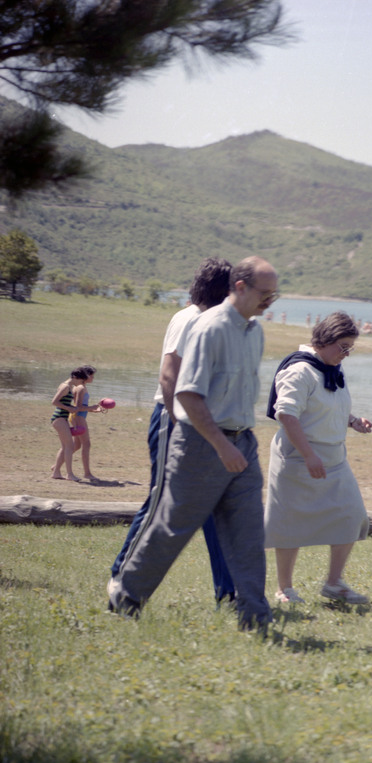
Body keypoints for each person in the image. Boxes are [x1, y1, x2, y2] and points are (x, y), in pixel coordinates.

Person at [108, 256, 279, 630]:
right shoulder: (209, 327)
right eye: (265, 293)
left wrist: (238, 444)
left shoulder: (255, 332)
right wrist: (221, 445)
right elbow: (187, 393)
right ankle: (125, 597)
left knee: (249, 534)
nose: (270, 300)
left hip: (243, 443)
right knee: (172, 528)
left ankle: (255, 617)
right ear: (240, 287)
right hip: (201, 444)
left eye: (274, 294)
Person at [109, 258, 235, 603]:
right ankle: (121, 577)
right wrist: (183, 427)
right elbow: (169, 377)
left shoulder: (210, 321)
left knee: (215, 505)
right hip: (175, 420)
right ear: (223, 290)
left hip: (203, 423)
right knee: (162, 500)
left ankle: (228, 592)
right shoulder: (189, 318)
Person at [265, 312, 371, 605]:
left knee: (352, 515)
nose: (346, 354)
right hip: (298, 457)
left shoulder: (332, 368)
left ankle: (334, 584)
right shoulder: (300, 370)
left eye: (350, 348)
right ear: (324, 340)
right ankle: (284, 589)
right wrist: (309, 455)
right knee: (290, 523)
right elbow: (286, 414)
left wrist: (352, 421)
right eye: (343, 346)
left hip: (334, 458)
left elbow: (327, 408)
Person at [50, 367, 92, 481]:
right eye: (80, 380)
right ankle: (69, 474)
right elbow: (54, 402)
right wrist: (69, 408)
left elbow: (63, 402)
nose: (80, 383)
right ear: (75, 377)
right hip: (59, 418)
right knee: (69, 446)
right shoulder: (65, 386)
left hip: (62, 418)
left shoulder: (68, 386)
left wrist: (72, 408)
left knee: (66, 447)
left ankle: (56, 472)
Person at [71, 365, 105, 481]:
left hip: (78, 417)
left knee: (76, 445)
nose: (93, 378)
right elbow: (77, 407)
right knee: (86, 444)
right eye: (92, 376)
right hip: (79, 418)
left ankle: (56, 466)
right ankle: (87, 473)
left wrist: (94, 410)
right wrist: (91, 407)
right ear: (86, 376)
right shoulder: (81, 388)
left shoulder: (81, 387)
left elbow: (82, 407)